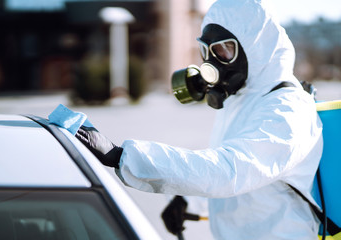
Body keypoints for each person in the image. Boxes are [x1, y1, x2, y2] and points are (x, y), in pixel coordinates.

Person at [76, 0, 323, 239]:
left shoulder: (287, 110)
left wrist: (123, 157)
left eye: (224, 50)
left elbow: (231, 170)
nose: (212, 63)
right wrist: (189, 200)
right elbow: (237, 176)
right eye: (206, 51)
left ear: (258, 46)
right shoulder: (242, 99)